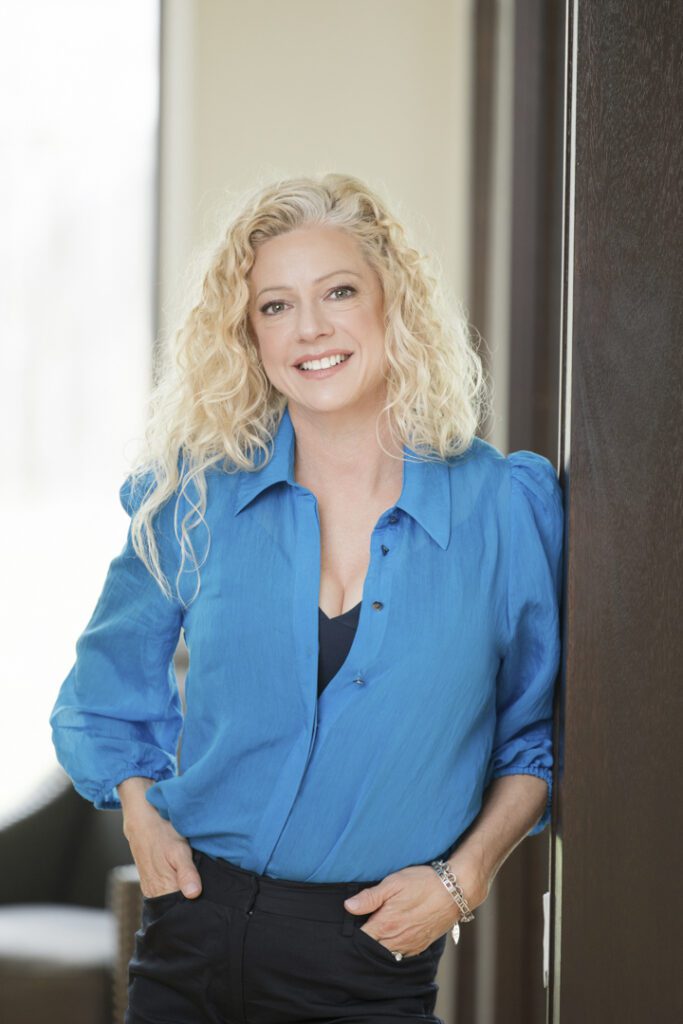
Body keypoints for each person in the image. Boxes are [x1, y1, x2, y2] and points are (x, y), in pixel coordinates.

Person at [49, 172, 564, 1024]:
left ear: (390, 303)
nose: (311, 328)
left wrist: (462, 878)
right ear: (247, 336)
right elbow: (99, 702)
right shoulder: (196, 499)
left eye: (338, 292)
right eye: (275, 306)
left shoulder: (502, 506)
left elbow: (533, 738)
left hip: (367, 960)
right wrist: (140, 815)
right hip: (186, 944)